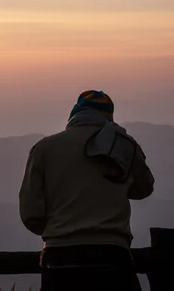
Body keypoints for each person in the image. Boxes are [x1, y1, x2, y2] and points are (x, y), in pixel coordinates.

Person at [19, 90, 155, 291]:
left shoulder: (43, 149)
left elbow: (30, 213)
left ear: (74, 114)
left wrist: (59, 230)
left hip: (58, 259)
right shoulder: (122, 146)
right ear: (109, 117)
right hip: (113, 256)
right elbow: (143, 189)